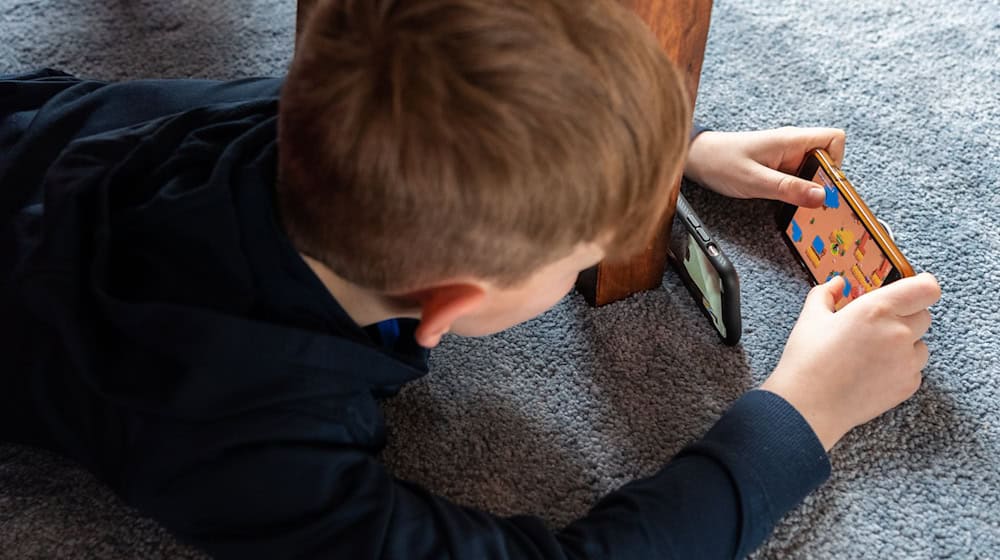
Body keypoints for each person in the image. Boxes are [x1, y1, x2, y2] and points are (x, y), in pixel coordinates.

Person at [0, 0, 940, 558]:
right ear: (455, 305)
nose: (595, 251)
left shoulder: (302, 113)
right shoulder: (235, 436)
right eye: (581, 253)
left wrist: (661, 152)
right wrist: (799, 414)